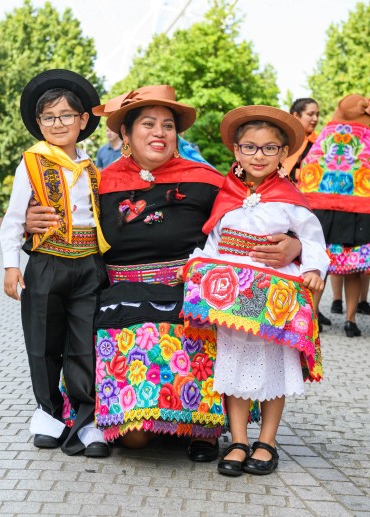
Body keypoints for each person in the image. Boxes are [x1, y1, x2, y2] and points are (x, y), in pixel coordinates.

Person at [25, 85, 302, 461]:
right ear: (125, 133)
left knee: (200, 352)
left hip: (188, 299)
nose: (160, 133)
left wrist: (295, 244)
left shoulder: (206, 180)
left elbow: (262, 214)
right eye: (149, 124)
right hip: (122, 303)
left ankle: (204, 424)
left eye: (168, 125)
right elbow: (63, 225)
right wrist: (31, 222)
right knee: (135, 437)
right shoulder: (96, 182)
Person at [180, 105, 329, 476]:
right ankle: (238, 439)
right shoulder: (225, 195)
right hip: (230, 301)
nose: (258, 156)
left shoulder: (289, 198)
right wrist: (198, 267)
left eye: (268, 148)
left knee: (274, 367)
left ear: (282, 154)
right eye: (249, 147)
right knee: (232, 367)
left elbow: (313, 239)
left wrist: (312, 268)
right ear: (236, 151)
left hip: (272, 302)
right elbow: (213, 242)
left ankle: (268, 440)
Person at [0, 69, 111, 458]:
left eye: (67, 116)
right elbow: (15, 218)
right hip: (46, 263)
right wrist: (11, 264)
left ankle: (86, 421)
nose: (58, 123)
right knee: (43, 342)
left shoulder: (94, 169)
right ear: (38, 123)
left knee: (84, 344)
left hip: (88, 265)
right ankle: (48, 414)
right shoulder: (30, 163)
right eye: (49, 117)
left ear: (83, 121)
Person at [299, 93, 370, 337]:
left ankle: (313, 316)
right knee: (353, 269)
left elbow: (310, 167)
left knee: (320, 266)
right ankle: (350, 322)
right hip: (358, 211)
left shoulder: (327, 135)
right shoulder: (366, 137)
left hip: (322, 210)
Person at [283, 98, 331, 330]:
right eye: (309, 114)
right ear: (295, 115)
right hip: (287, 206)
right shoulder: (285, 143)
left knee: (316, 258)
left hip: (314, 208)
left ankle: (313, 310)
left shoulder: (319, 144)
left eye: (317, 114)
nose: (314, 118)